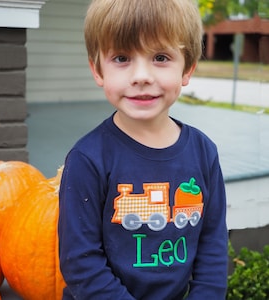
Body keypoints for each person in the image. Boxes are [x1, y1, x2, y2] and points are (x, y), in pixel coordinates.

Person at [58, 0, 228, 299]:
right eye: (122, 58)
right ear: (97, 70)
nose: (141, 76)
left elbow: (212, 244)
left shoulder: (203, 152)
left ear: (187, 68)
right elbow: (81, 263)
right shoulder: (88, 158)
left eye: (160, 57)